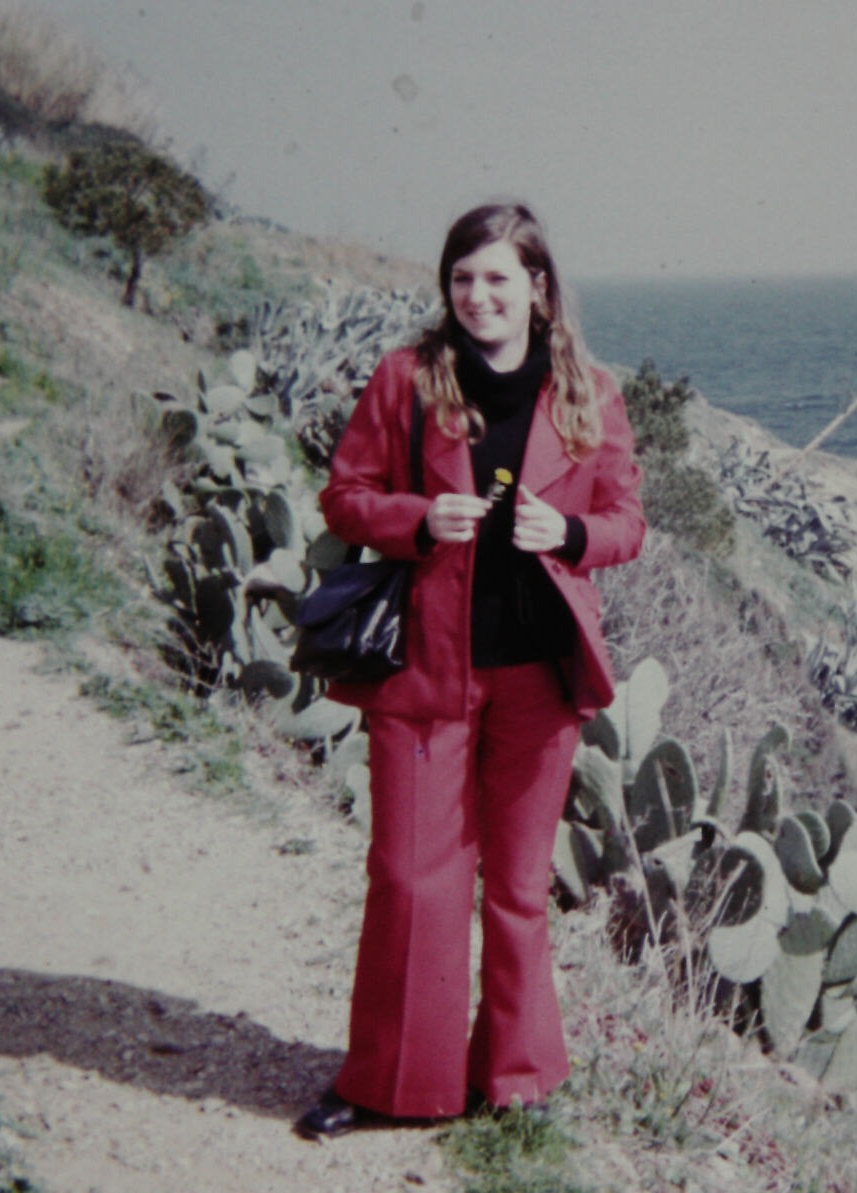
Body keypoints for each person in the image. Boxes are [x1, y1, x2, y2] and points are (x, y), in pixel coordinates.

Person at [295, 202, 645, 1138]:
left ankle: (516, 1081)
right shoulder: (408, 379)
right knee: (414, 879)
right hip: (427, 670)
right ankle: (389, 1083)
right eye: (462, 278)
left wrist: (568, 532)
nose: (478, 296)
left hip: (539, 680)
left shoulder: (589, 392)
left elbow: (627, 523)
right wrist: (415, 518)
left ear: (537, 288)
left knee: (519, 889)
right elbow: (345, 493)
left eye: (497, 278)